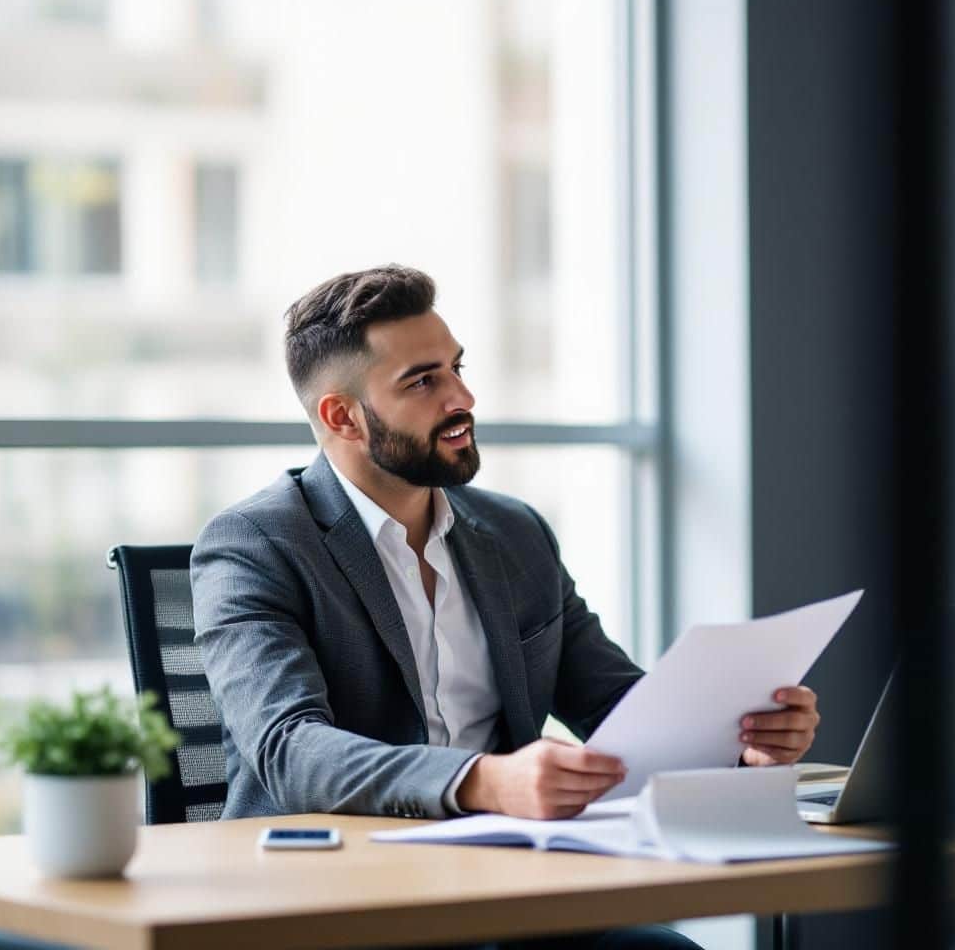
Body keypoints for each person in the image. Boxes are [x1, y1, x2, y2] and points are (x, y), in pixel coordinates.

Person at [190, 265, 822, 949]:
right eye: (422, 381)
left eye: (456, 367)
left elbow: (616, 706)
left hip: (504, 890)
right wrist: (483, 782)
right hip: (333, 904)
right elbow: (290, 751)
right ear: (342, 416)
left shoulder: (514, 533)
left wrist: (739, 740)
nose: (462, 396)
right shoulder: (255, 544)